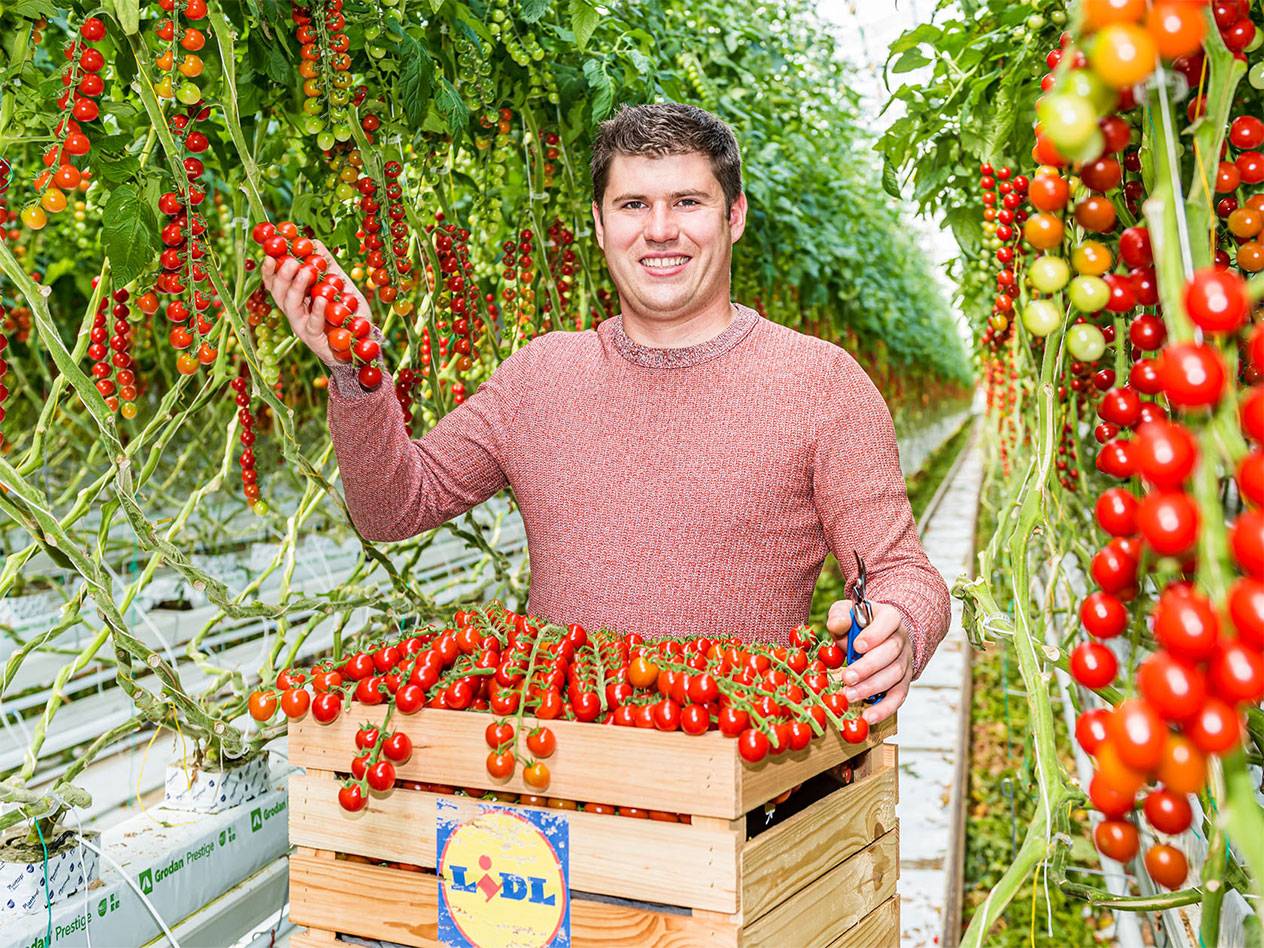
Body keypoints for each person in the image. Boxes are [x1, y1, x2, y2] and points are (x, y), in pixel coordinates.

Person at [261, 102, 951, 725]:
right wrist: (355, 369)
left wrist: (903, 626)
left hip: (743, 783)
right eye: (631, 205)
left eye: (687, 202)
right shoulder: (541, 377)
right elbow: (393, 508)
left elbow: (902, 571)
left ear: (734, 216)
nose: (659, 231)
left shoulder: (821, 384)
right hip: (559, 789)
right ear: (597, 224)